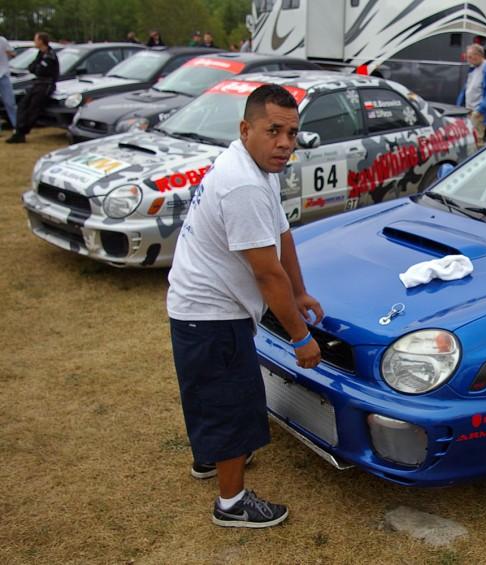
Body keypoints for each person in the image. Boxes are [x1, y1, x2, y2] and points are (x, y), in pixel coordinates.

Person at [167, 84, 323, 528]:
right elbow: (266, 272)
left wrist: (301, 292)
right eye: (273, 131)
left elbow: (283, 233)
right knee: (232, 401)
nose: (284, 143)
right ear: (245, 129)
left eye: (292, 133)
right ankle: (231, 503)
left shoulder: (257, 168)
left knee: (209, 393)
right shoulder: (242, 185)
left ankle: (210, 459)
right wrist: (301, 336)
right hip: (210, 312)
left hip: (197, 307)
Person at [6, 32, 58, 144]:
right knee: (22, 105)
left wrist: (37, 67)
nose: (34, 42)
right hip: (38, 83)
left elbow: (41, 70)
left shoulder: (50, 55)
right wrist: (37, 67)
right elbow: (32, 67)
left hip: (46, 85)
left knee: (33, 109)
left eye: (36, 39)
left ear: (41, 41)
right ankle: (18, 131)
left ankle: (21, 133)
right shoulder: (41, 53)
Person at [456, 43, 486, 148]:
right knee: (470, 138)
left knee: (476, 140)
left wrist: (480, 110)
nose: (467, 59)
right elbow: (467, 89)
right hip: (470, 110)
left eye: (470, 57)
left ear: (478, 55)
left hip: (479, 112)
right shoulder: (473, 68)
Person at [0, 34, 17, 133]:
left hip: (3, 75)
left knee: (10, 103)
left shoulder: (2, 40)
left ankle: (16, 126)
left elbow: (13, 53)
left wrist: (10, 53)